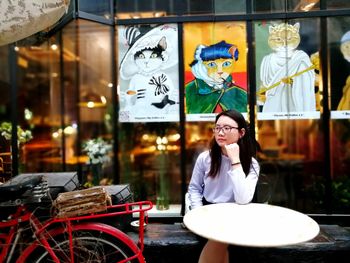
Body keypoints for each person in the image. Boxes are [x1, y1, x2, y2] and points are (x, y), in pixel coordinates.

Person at [187, 109, 260, 263]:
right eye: (217, 128)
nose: (220, 132)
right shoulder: (205, 158)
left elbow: (243, 199)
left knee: (222, 237)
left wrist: (235, 161)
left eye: (227, 128)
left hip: (236, 215)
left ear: (241, 133)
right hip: (208, 212)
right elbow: (194, 189)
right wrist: (199, 213)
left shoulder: (252, 164)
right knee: (220, 240)